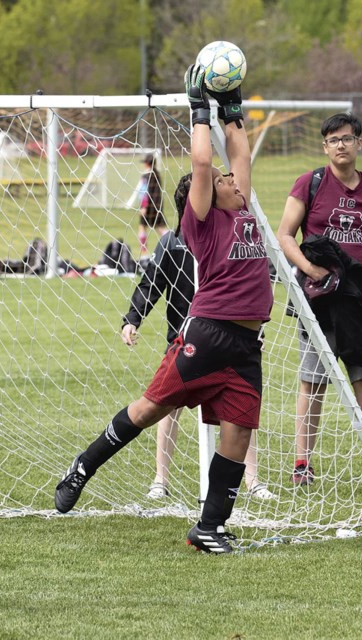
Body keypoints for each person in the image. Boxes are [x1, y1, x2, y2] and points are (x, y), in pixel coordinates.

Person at [55, 65, 272, 555]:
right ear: (203, 198)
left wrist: (232, 108)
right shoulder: (203, 225)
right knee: (152, 408)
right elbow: (202, 164)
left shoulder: (242, 207)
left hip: (246, 343)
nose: (233, 181)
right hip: (209, 333)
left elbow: (237, 152)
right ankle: (82, 467)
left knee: (238, 431)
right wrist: (200, 107)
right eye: (222, 181)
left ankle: (209, 528)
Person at [121, 202, 274, 502]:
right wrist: (132, 319)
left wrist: (258, 331)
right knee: (167, 407)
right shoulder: (172, 242)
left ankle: (252, 479)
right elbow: (151, 283)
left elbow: (252, 286)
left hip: (230, 339)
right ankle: (160, 479)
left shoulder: (230, 236)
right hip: (184, 339)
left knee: (240, 412)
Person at [275, 113, 362, 485]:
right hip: (319, 300)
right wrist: (310, 268)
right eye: (334, 139)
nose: (341, 145)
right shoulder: (311, 183)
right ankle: (302, 463)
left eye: (347, 138)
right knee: (313, 381)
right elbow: (285, 235)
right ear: (325, 146)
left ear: (359, 143)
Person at [137, 154, 168, 256]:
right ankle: (172, 243)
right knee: (160, 227)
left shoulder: (146, 175)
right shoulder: (157, 174)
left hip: (148, 206)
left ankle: (144, 252)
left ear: (146, 163)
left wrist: (144, 206)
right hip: (157, 205)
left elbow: (144, 191)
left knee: (142, 227)